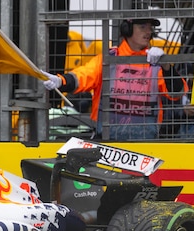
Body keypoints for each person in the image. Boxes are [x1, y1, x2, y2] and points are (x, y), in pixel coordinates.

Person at [43, 17, 185, 140]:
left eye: (150, 28)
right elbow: (83, 76)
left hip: (146, 142)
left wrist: (167, 66)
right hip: (106, 141)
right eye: (142, 27)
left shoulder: (156, 64)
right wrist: (61, 81)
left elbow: (176, 93)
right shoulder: (107, 60)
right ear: (127, 29)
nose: (148, 32)